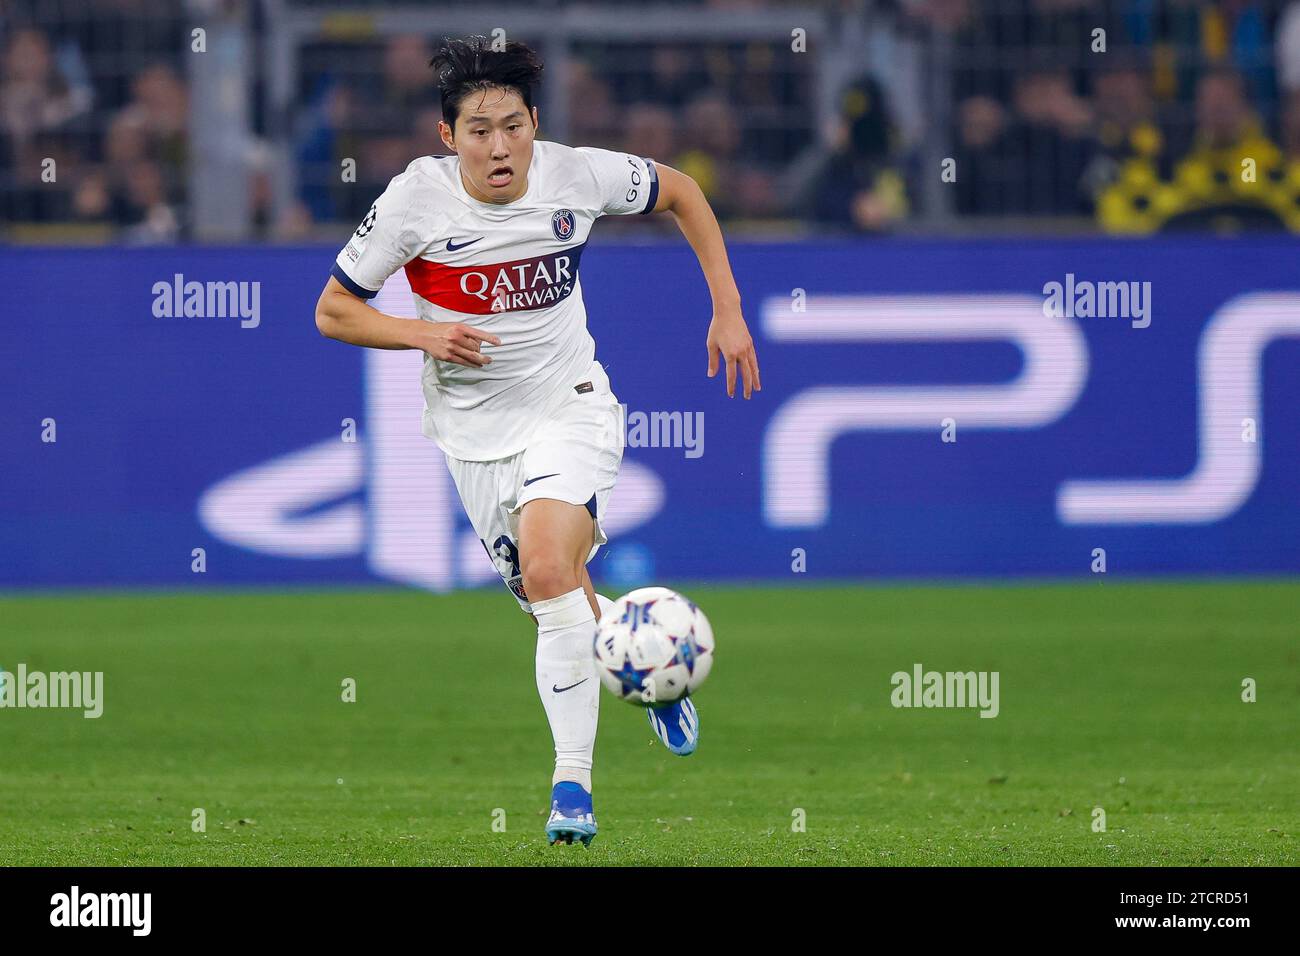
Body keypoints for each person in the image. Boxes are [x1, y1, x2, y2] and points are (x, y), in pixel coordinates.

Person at [313, 36, 760, 847]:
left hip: (570, 405)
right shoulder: (414, 202)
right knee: (557, 604)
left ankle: (572, 791)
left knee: (553, 568)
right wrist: (424, 334)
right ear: (448, 138)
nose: (499, 147)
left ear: (535, 125)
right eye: (478, 130)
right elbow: (334, 310)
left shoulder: (575, 174)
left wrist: (727, 309)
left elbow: (685, 192)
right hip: (473, 439)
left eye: (512, 126)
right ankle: (654, 671)